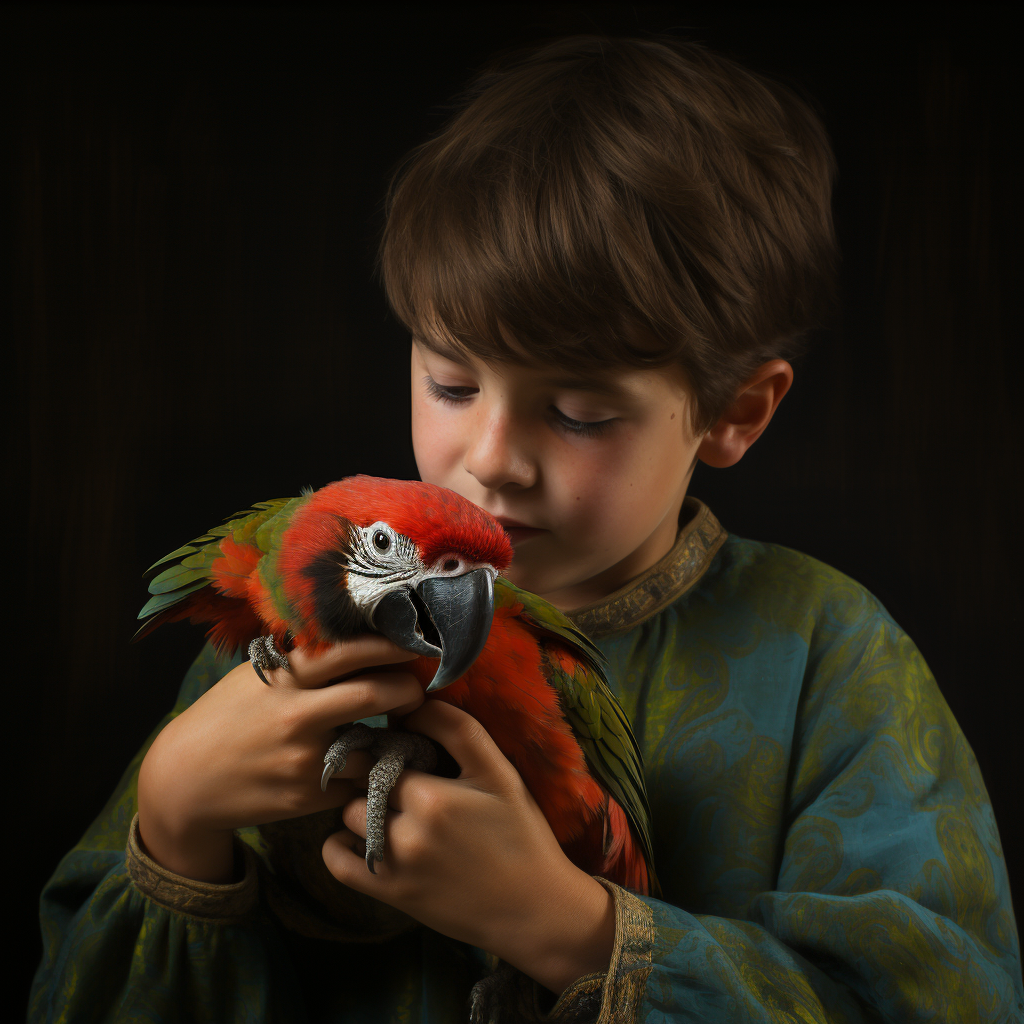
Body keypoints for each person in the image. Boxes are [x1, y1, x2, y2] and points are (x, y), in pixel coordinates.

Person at [31, 33, 1022, 1023]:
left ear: (735, 412)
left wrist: (564, 923)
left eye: (580, 413)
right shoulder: (274, 633)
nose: (492, 456)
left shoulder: (830, 654)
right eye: (451, 383)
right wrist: (173, 820)